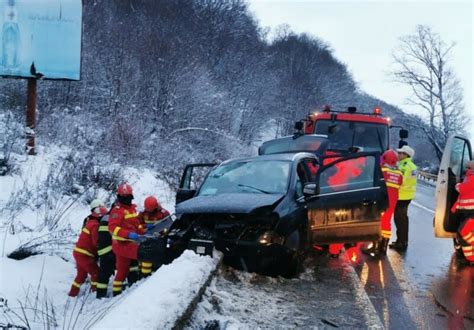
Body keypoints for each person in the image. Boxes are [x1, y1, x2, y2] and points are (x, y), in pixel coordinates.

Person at [362, 149, 403, 257]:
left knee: (378, 223)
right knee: (386, 223)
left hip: (382, 200)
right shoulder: (399, 173)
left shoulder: (382, 170)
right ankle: (383, 248)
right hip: (392, 201)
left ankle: (375, 248)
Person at [108, 183, 146, 296]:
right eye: (124, 197)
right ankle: (117, 294)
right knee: (146, 255)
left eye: (128, 197)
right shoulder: (117, 211)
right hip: (121, 244)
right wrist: (128, 234)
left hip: (129, 243)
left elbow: (136, 224)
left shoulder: (132, 209)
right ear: (119, 197)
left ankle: (121, 290)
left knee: (123, 271)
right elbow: (112, 228)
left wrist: (143, 231)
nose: (126, 199)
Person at [68, 201, 108, 297]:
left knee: (81, 276)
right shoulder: (95, 226)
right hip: (85, 254)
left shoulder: (89, 221)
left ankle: (72, 294)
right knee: (96, 273)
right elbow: (96, 243)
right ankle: (94, 293)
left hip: (78, 252)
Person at [389, 145, 417, 251]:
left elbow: (400, 180)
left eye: (401, 153)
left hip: (401, 196)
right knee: (403, 220)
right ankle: (402, 241)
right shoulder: (411, 166)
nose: (399, 154)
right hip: (406, 196)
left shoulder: (405, 166)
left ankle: (401, 242)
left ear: (406, 155)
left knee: (399, 219)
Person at [138, 196, 170, 277]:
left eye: (150, 210)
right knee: (145, 258)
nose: (149, 211)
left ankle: (157, 273)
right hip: (146, 239)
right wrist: (145, 226)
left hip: (160, 239)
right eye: (147, 209)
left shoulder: (163, 213)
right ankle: (143, 275)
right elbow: (137, 225)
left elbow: (169, 225)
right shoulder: (142, 213)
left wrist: (163, 233)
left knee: (157, 258)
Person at [450, 160, 474, 265]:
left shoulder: (471, 178)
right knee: (461, 235)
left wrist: (458, 185)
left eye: (469, 168)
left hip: (471, 212)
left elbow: (463, 190)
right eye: (467, 167)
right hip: (464, 211)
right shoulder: (468, 178)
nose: (467, 169)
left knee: (463, 232)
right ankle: (470, 259)